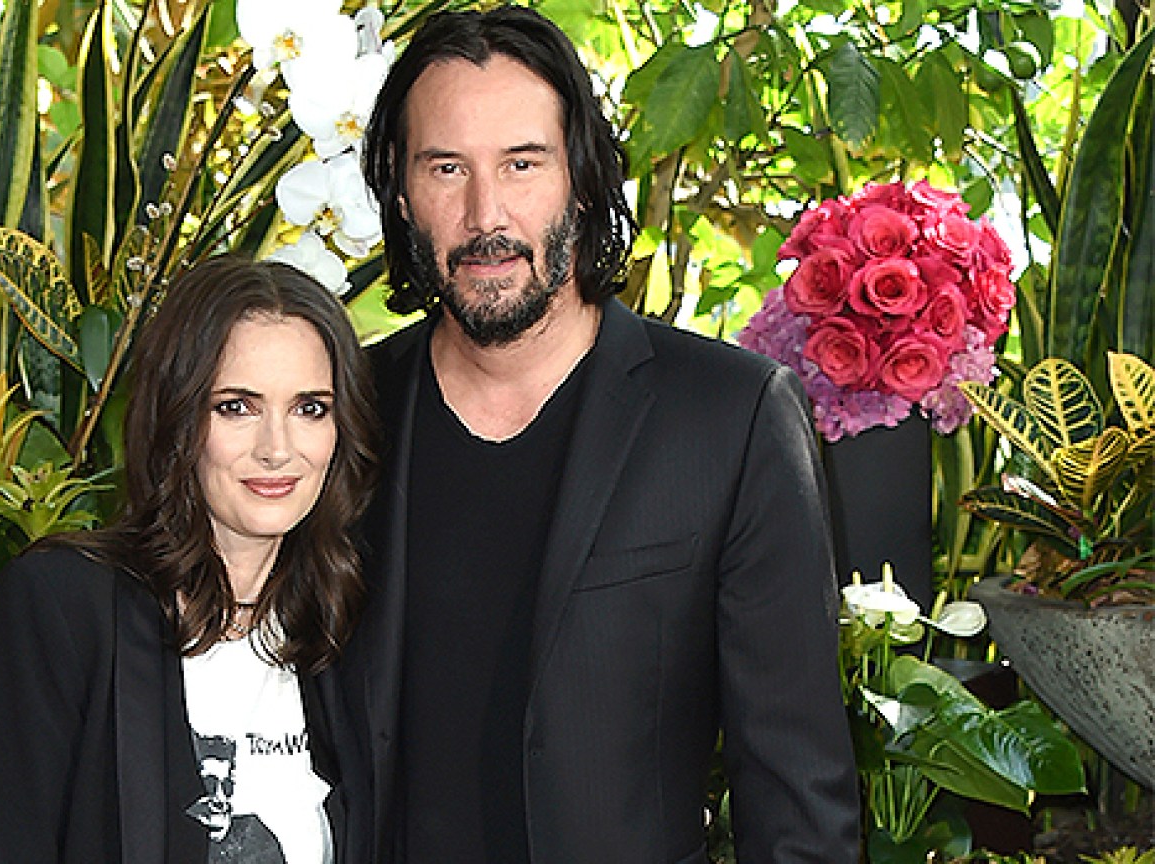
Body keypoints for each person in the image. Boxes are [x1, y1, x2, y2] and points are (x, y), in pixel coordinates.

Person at [347, 6, 860, 862]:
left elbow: (798, 794)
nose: (485, 213)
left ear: (580, 180)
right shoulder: (345, 414)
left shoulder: (730, 417)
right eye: (446, 167)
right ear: (401, 194)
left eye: (522, 163)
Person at [0, 256, 377, 863]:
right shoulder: (63, 604)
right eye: (236, 406)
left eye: (309, 408)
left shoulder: (347, 618)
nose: (277, 448)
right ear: (178, 418)